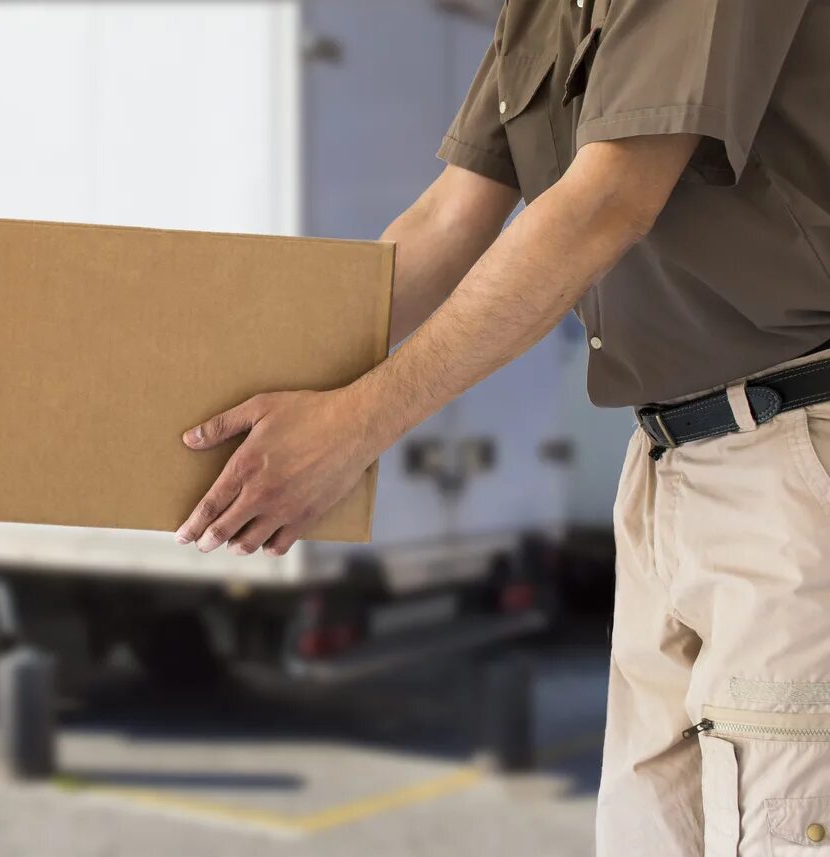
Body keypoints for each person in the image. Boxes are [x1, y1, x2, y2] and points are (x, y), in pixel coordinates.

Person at [173, 0, 830, 853]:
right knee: (647, 833)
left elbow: (602, 202)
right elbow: (447, 221)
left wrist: (348, 428)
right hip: (666, 464)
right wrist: (213, 386)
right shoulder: (540, 11)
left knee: (779, 830)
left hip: (793, 457)